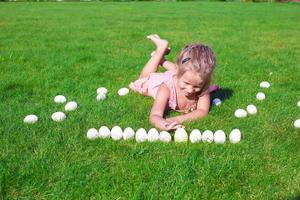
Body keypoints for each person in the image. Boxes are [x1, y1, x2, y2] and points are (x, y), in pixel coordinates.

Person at [129, 34, 219, 131]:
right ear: (179, 74)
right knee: (143, 80)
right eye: (186, 83)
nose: (190, 90)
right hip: (158, 84)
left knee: (182, 71)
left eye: (197, 86)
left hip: (179, 74)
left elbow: (202, 111)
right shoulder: (165, 88)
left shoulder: (201, 85)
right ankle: (160, 49)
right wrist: (164, 125)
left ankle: (162, 60)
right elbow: (155, 115)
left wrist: (176, 119)